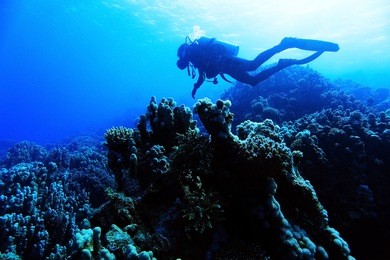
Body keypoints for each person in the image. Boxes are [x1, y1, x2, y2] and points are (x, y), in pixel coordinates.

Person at [176, 36, 339, 98]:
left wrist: (196, 86)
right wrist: (196, 88)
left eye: (181, 62)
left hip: (226, 62)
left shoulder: (193, 54)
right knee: (253, 80)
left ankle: (285, 44)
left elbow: (203, 70)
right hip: (226, 66)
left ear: (183, 55)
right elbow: (202, 75)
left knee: (253, 65)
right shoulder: (194, 58)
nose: (183, 64)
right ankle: (282, 63)